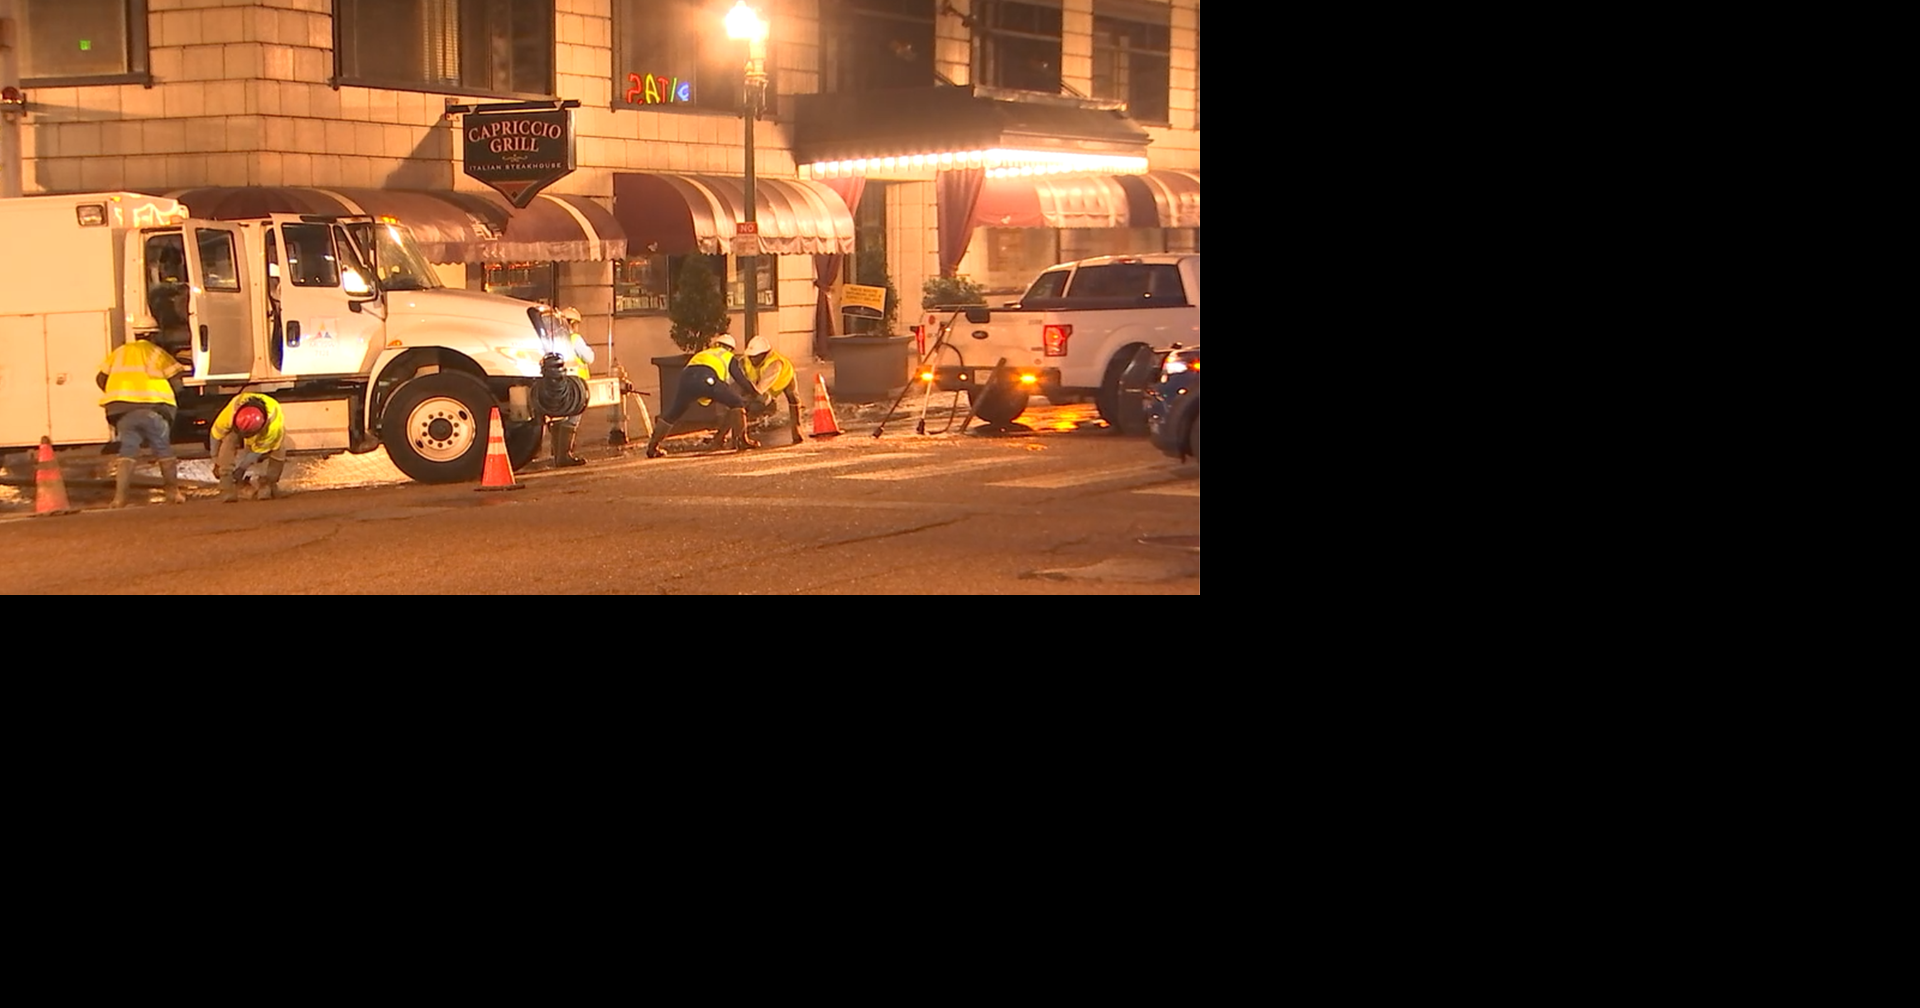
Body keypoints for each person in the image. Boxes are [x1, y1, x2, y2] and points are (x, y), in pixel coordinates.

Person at [96, 334, 188, 507]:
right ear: (153, 335)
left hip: (123, 410)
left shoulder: (120, 352)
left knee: (127, 450)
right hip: (154, 409)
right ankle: (173, 493)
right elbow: (177, 383)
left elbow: (100, 378)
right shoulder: (157, 353)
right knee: (163, 449)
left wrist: (115, 392)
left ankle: (119, 499)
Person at [643, 333, 758, 458]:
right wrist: (754, 392)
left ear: (716, 344)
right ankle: (741, 441)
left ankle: (652, 447)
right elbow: (740, 378)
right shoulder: (728, 356)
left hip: (686, 378)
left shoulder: (704, 353)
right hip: (707, 378)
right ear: (731, 348)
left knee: (673, 413)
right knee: (737, 403)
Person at [714, 336, 805, 448]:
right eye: (751, 357)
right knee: (736, 405)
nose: (752, 360)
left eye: (756, 357)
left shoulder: (775, 364)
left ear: (765, 354)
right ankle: (727, 437)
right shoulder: (744, 361)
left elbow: (760, 390)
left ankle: (797, 430)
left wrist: (744, 402)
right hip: (755, 386)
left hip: (781, 381)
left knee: (793, 398)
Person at [209, 393, 289, 501]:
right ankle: (226, 483)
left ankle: (269, 483)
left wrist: (241, 470)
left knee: (278, 449)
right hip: (244, 425)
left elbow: (256, 453)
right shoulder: (230, 414)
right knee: (229, 439)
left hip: (268, 436)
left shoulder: (273, 428)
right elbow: (215, 435)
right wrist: (216, 461)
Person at [545, 307, 595, 467]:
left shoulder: (551, 339)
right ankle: (564, 455)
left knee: (558, 417)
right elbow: (589, 357)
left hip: (556, 384)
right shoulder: (574, 339)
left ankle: (557, 455)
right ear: (572, 323)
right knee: (572, 418)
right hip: (574, 386)